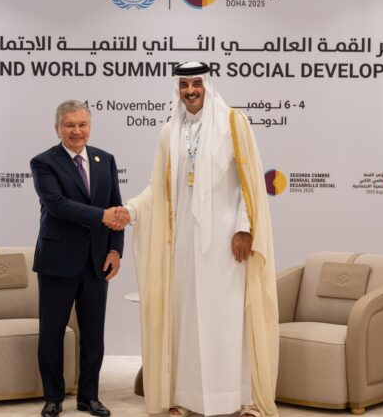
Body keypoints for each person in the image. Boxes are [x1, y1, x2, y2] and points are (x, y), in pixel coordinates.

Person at [122, 62, 280, 417]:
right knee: (187, 320)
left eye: (196, 83)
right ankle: (186, 398)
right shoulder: (170, 131)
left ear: (208, 84)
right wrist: (130, 211)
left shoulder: (233, 123)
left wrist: (244, 228)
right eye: (184, 85)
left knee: (227, 318)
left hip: (226, 242)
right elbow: (158, 188)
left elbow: (248, 181)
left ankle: (237, 397)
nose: (190, 91)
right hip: (184, 243)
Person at [31, 100, 125, 417]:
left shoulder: (105, 159)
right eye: (69, 125)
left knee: (93, 335)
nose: (76, 131)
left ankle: (89, 397)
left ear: (90, 126)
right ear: (57, 128)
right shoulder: (43, 162)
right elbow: (57, 204)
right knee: (52, 333)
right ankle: (53, 397)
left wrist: (115, 250)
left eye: (82, 124)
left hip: (97, 262)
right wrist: (102, 215)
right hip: (57, 261)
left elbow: (116, 207)